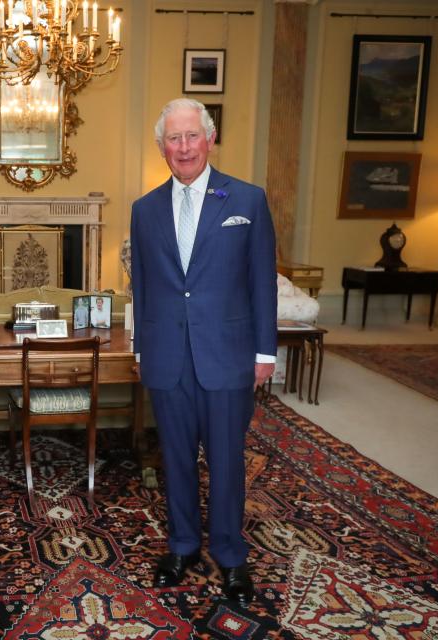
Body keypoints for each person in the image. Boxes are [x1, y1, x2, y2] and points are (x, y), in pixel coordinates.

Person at [129, 98, 277, 604]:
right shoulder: (144, 209)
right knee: (175, 459)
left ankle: (231, 555)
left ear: (209, 138)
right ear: (162, 146)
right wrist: (143, 350)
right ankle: (184, 545)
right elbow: (144, 286)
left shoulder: (247, 200)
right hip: (167, 355)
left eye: (192, 136)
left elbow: (262, 282)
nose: (184, 147)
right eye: (174, 138)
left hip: (228, 356)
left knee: (227, 461)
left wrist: (265, 352)